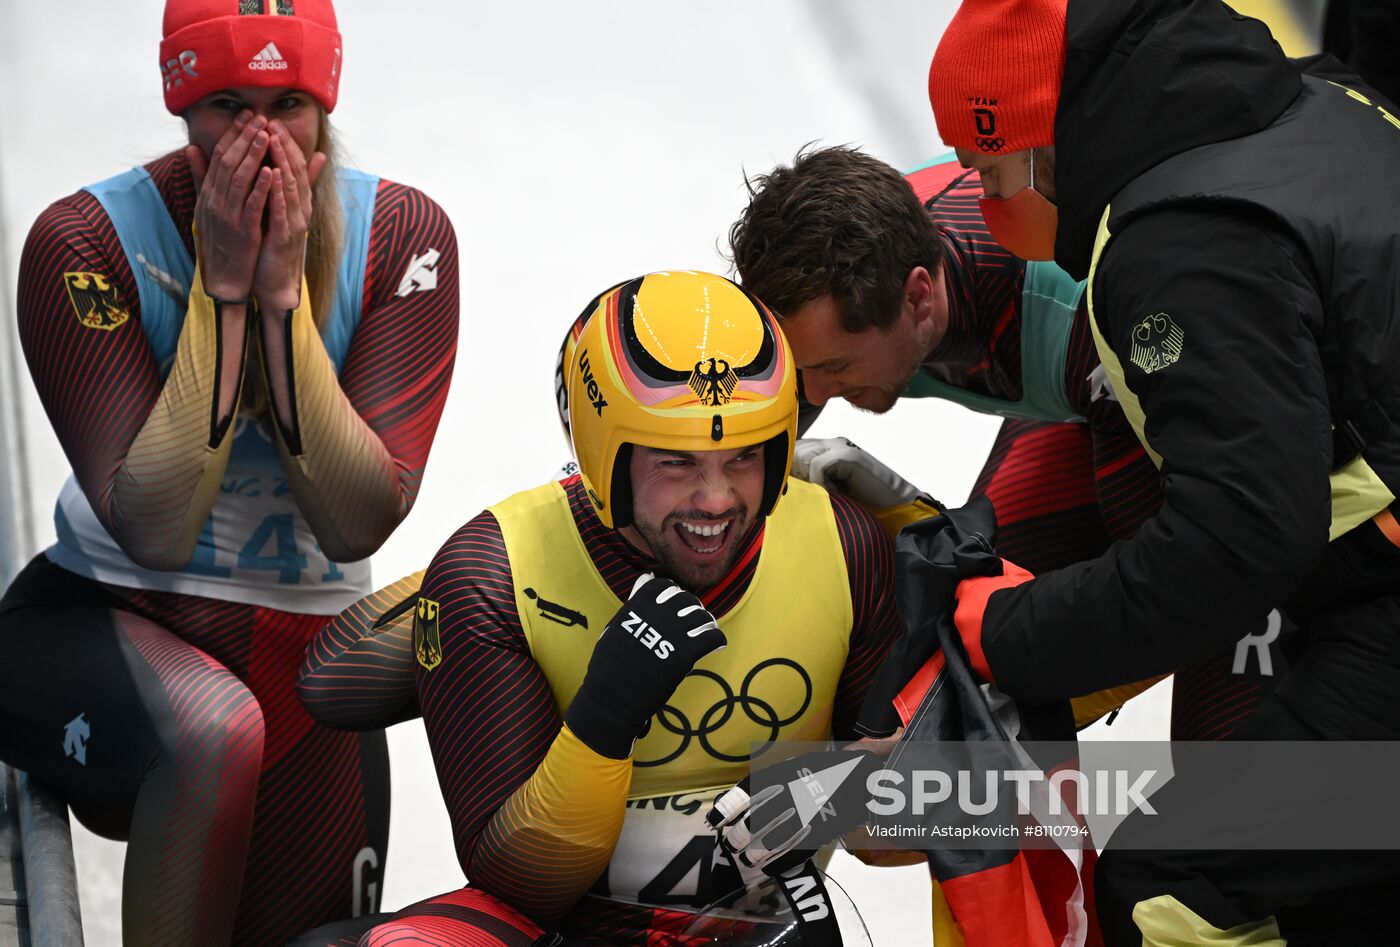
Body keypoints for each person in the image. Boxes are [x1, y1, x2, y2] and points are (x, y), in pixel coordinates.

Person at [925, 0, 1400, 941]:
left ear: (1036, 146)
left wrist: (1010, 634)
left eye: (984, 172)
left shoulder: (1177, 245)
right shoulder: (1320, 99)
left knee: (1161, 884)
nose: (979, 200)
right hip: (1368, 600)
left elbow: (1243, 534)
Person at [0, 0, 459, 941]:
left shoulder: (404, 235)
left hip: (305, 659)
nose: (258, 137)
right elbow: (157, 530)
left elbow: (355, 524)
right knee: (212, 728)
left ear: (327, 106)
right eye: (224, 105)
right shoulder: (82, 241)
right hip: (109, 614)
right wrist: (222, 291)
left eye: (288, 101)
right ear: (178, 105)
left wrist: (285, 303)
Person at [293, 270, 902, 945]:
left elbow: (908, 831)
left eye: (744, 457)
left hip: (773, 927)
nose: (716, 499)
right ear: (604, 453)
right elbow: (521, 880)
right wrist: (604, 717)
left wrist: (974, 644)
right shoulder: (494, 573)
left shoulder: (848, 544)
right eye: (676, 460)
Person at [729, 145, 1280, 741]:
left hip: (1229, 426)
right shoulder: (859, 252)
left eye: (836, 367)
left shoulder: (1076, 313)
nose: (812, 392)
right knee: (951, 635)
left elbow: (1172, 587)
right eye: (795, 366)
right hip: (1092, 402)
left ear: (919, 298)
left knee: (1219, 767)